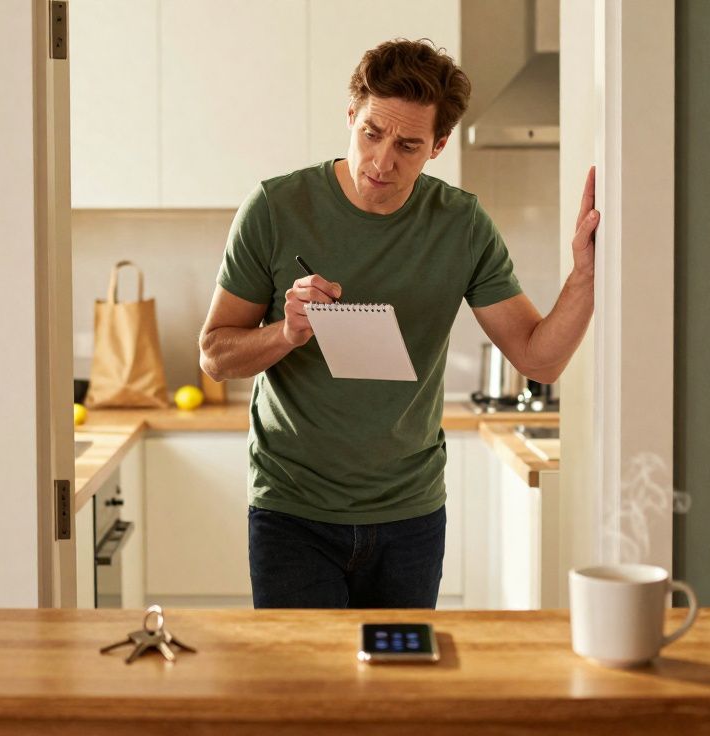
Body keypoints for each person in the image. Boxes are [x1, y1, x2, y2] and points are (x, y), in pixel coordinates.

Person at [198, 38, 599, 609]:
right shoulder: (274, 209)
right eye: (371, 133)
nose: (383, 161)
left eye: (408, 145)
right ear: (351, 116)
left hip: (410, 516)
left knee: (401, 694)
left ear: (437, 146)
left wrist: (585, 275)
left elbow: (539, 358)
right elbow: (214, 356)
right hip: (292, 511)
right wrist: (284, 332)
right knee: (306, 696)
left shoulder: (460, 225)